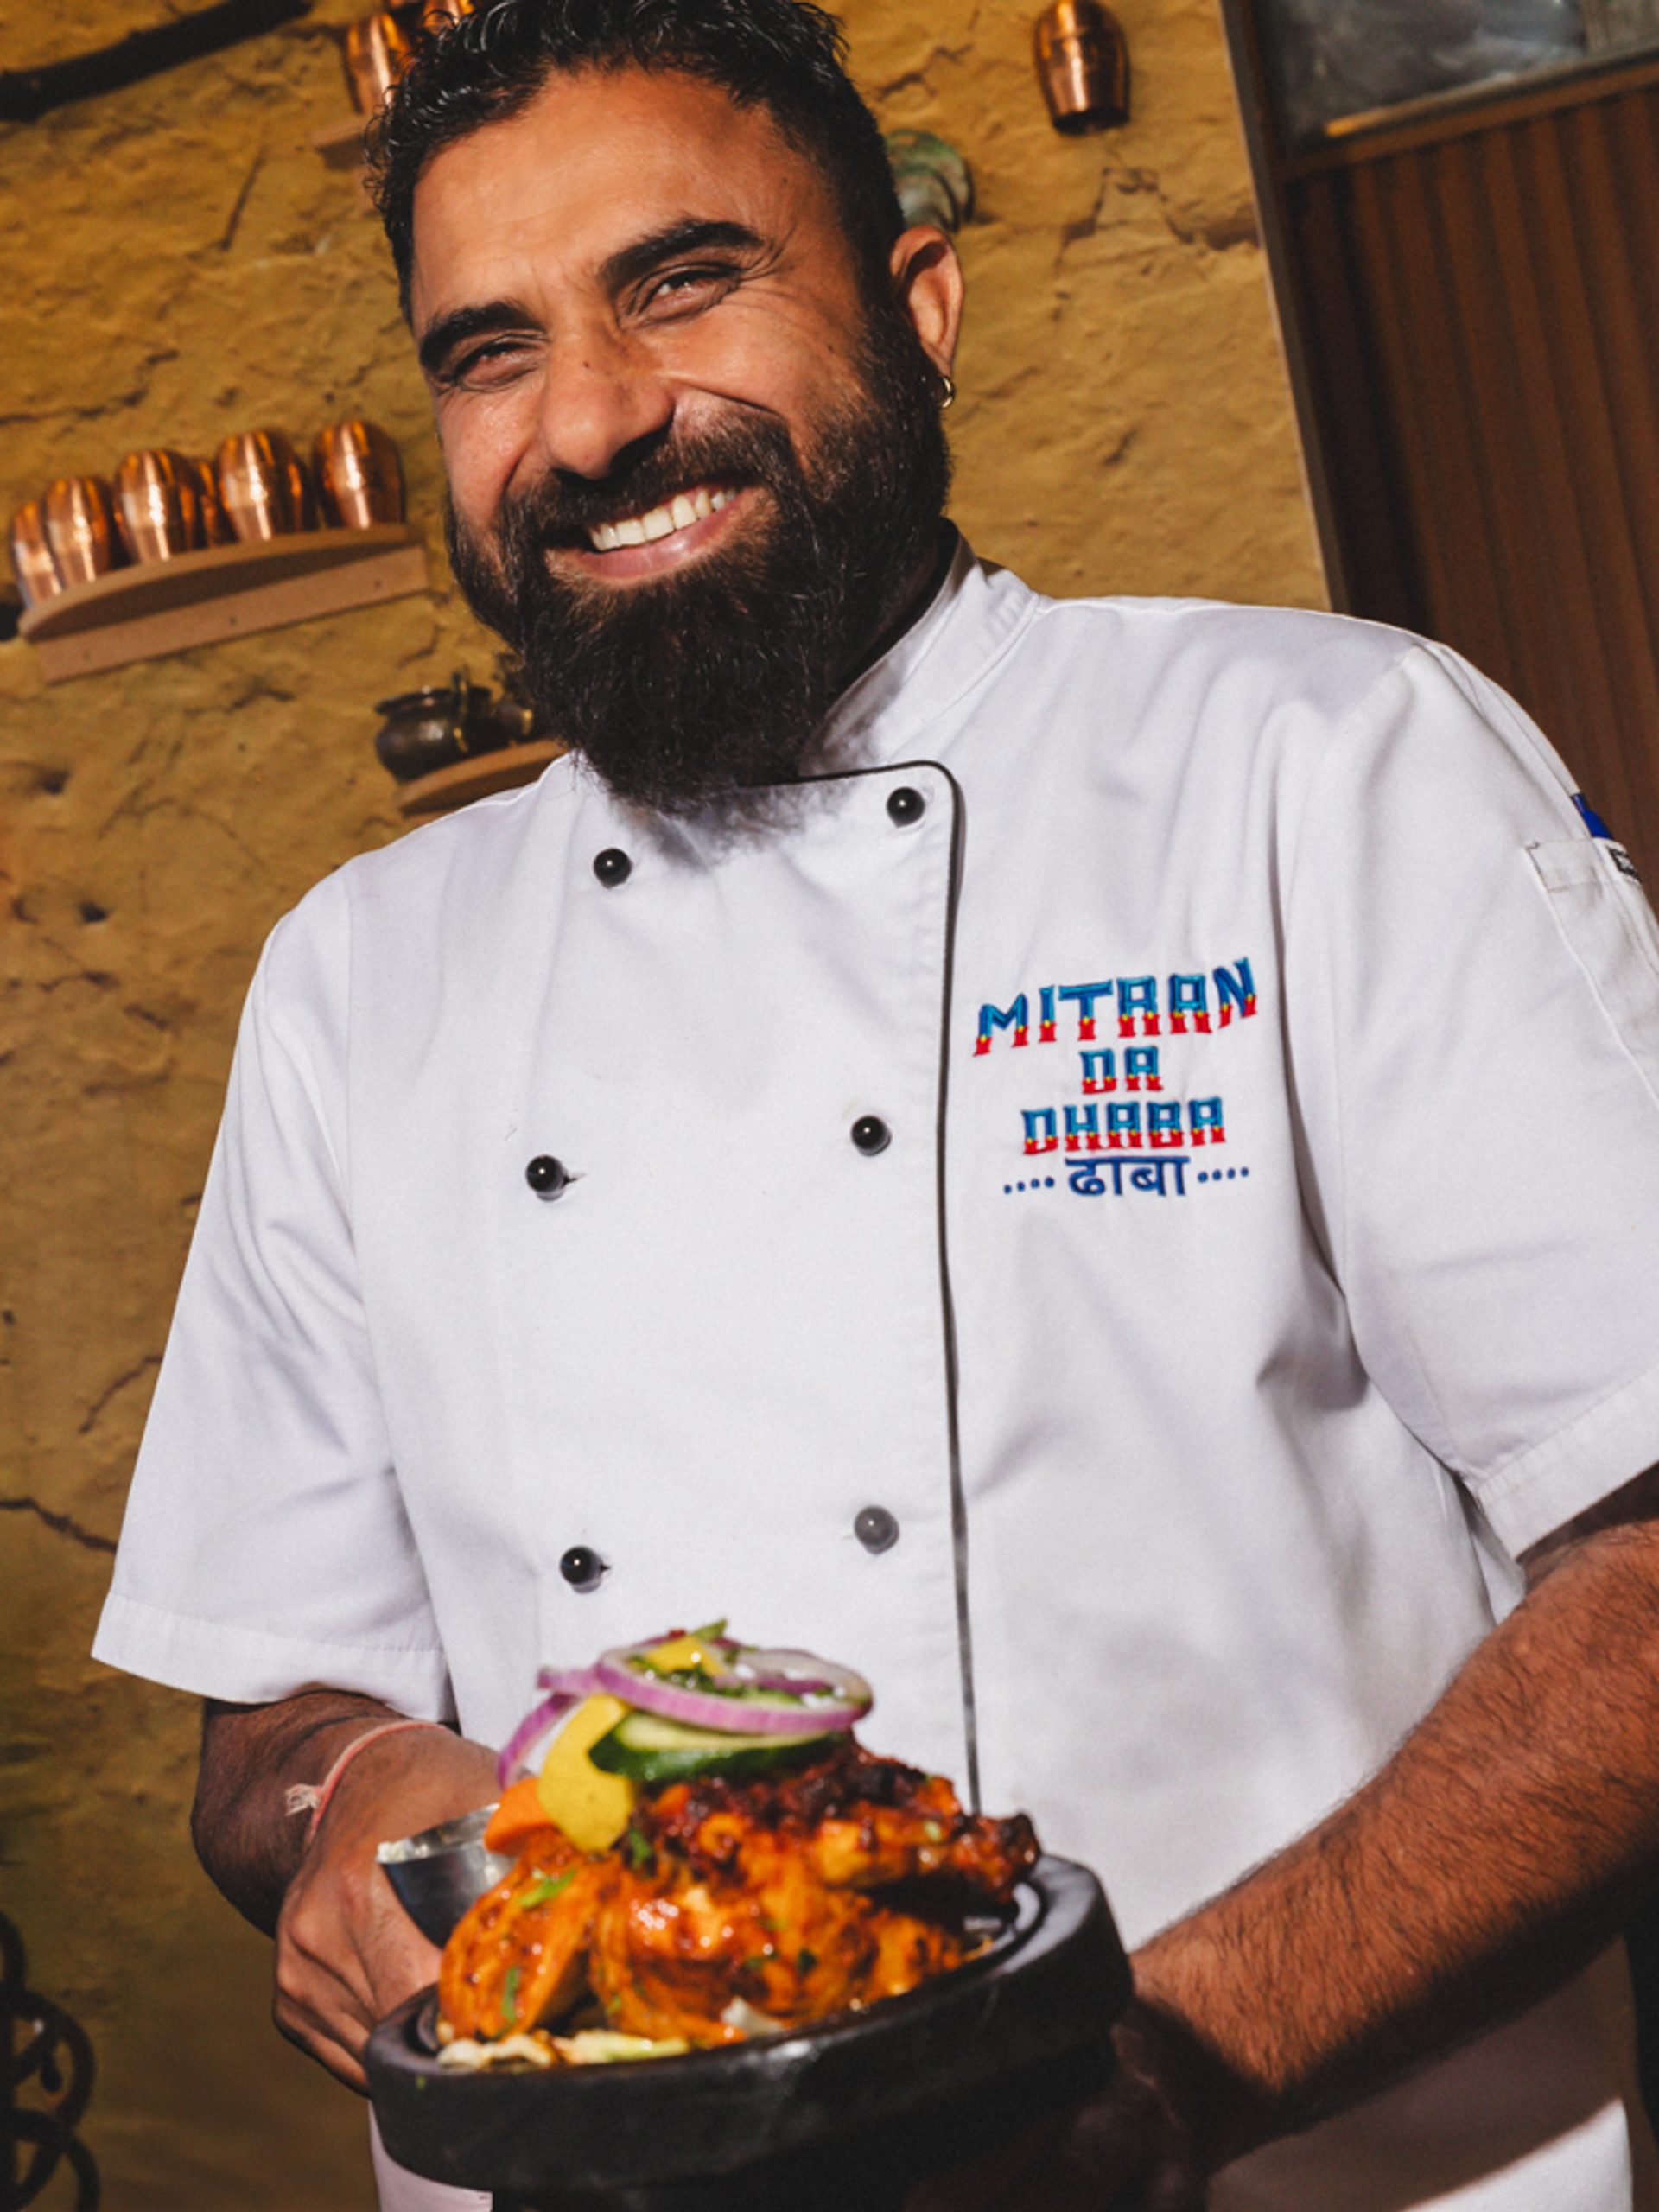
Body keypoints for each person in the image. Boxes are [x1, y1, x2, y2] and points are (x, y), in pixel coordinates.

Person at [92, 2, 1659, 2207]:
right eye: (491, 350)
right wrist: (341, 1797)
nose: (597, 421)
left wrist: (1152, 2084)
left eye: (684, 283)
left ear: (921, 308)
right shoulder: (358, 976)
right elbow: (261, 1723)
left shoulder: (1325, 765)